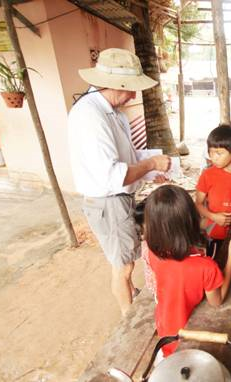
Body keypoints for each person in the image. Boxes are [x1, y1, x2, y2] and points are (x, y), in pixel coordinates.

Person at [68, 48, 170, 316]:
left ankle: (130, 295)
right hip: (108, 201)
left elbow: (129, 156)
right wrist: (150, 164)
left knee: (125, 260)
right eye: (130, 89)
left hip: (119, 199)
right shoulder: (91, 116)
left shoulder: (114, 112)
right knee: (123, 266)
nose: (134, 95)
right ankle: (128, 318)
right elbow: (114, 176)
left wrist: (151, 170)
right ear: (114, 85)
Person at [145, 185, 231, 356]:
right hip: (185, 340)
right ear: (192, 220)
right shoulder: (206, 267)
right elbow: (216, 301)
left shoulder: (153, 251)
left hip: (164, 330)